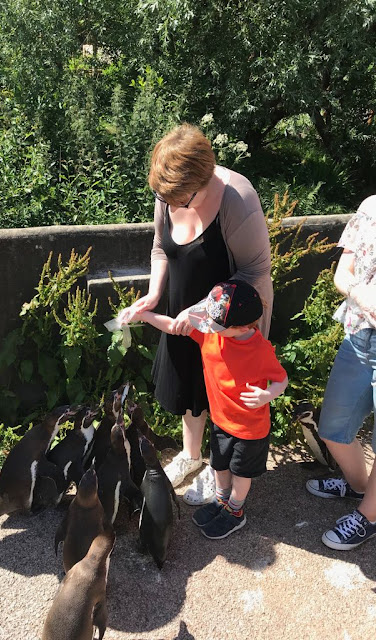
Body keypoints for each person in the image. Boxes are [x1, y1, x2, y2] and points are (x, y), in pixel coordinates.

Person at [119, 123, 273, 506]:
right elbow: (160, 247)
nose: (173, 207)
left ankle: (220, 469)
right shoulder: (170, 192)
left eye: (182, 200)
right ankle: (191, 455)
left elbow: (255, 274)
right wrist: (155, 294)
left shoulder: (238, 199)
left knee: (223, 397)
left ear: (204, 178)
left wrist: (204, 309)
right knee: (190, 388)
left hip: (231, 322)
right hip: (182, 311)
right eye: (166, 199)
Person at [128, 280, 287, 538]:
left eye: (215, 323)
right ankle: (221, 501)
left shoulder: (260, 350)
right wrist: (142, 314)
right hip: (221, 421)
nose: (207, 325)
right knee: (218, 465)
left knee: (240, 473)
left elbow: (282, 378)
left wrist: (268, 394)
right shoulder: (210, 333)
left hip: (250, 429)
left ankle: (235, 512)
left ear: (242, 327)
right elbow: (173, 326)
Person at [305, 195, 376, 550]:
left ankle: (370, 514)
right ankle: (360, 486)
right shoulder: (370, 208)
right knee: (334, 427)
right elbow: (342, 274)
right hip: (361, 334)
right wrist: (361, 296)